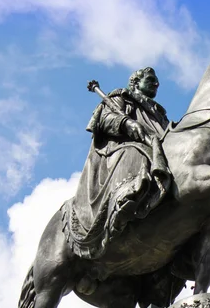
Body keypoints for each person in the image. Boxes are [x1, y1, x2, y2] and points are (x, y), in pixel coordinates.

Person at [62, 67, 171, 277]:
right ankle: (127, 198)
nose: (156, 84)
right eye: (151, 80)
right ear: (135, 83)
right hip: (121, 148)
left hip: (158, 151)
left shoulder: (159, 113)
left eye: (157, 81)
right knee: (136, 153)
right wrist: (125, 122)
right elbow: (104, 118)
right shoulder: (121, 96)